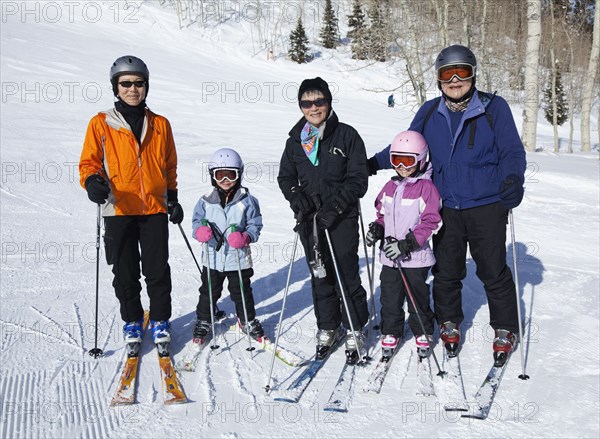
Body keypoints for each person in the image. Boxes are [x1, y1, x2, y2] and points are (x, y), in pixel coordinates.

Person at [368, 45, 526, 363]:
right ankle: (449, 320)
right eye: (447, 74)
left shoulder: (494, 108)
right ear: (439, 80)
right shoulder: (429, 112)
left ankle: (506, 328)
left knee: (493, 270)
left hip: (486, 205)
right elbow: (407, 146)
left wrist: (512, 179)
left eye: (462, 72)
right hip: (443, 207)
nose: (455, 80)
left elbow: (512, 151)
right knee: (446, 271)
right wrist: (370, 163)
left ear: (473, 74)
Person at [79, 55, 183, 353]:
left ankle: (161, 320)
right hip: (118, 208)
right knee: (124, 271)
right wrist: (91, 182)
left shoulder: (161, 125)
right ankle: (133, 321)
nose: (132, 89)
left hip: (153, 209)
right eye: (126, 83)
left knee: (157, 270)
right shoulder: (101, 124)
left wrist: (172, 198)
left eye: (138, 83)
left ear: (146, 87)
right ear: (116, 87)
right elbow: (89, 162)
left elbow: (169, 166)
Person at [278, 77, 369, 363]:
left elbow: (358, 179)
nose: (313, 107)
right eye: (307, 102)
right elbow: (285, 177)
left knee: (346, 273)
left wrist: (338, 205)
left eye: (319, 101)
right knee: (320, 275)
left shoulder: (346, 135)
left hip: (340, 219)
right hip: (310, 222)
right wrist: (296, 197)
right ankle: (328, 326)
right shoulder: (296, 141)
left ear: (328, 102)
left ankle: (355, 326)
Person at [366, 131, 442, 359]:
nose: (401, 166)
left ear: (421, 159)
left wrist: (407, 244)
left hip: (415, 258)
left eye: (408, 160)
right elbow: (382, 215)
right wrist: (377, 229)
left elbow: (431, 222)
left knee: (416, 297)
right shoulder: (390, 187)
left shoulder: (426, 189)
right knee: (390, 296)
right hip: (390, 257)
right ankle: (391, 330)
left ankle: (423, 331)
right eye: (396, 159)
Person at [191, 148, 265, 344]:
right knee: (208, 291)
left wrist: (246, 237)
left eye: (230, 174)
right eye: (219, 175)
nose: (225, 180)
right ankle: (204, 319)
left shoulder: (247, 201)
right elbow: (196, 221)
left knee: (241, 292)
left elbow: (255, 224)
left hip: (238, 259)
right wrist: (200, 232)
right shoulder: (205, 201)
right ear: (212, 176)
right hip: (213, 259)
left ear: (239, 174)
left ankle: (247, 320)